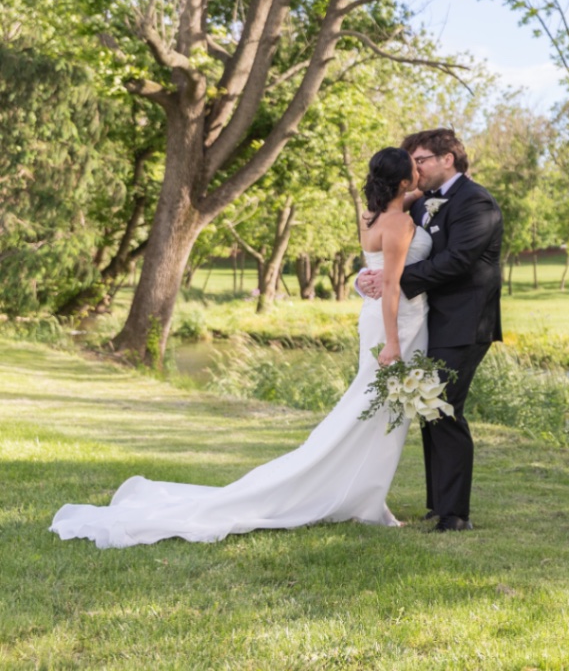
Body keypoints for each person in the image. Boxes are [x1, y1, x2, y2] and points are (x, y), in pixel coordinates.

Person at [51, 148, 433, 548]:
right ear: (403, 182)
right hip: (396, 324)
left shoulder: (372, 216)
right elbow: (391, 285)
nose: (419, 170)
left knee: (375, 409)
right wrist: (392, 342)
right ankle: (363, 500)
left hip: (374, 316)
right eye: (413, 168)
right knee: (377, 411)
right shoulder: (401, 223)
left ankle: (363, 495)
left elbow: (393, 238)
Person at [355, 128, 503, 533]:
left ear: (447, 160)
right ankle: (439, 504)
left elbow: (457, 260)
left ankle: (456, 514)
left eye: (420, 160)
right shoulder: (420, 204)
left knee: (445, 406)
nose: (414, 169)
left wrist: (394, 278)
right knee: (428, 409)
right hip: (427, 320)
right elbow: (386, 244)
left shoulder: (477, 202)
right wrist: (367, 280)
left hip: (466, 322)